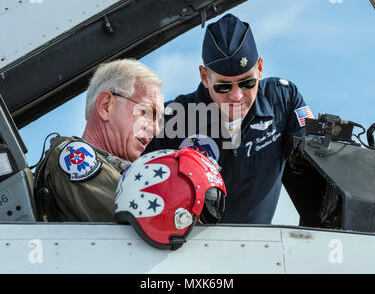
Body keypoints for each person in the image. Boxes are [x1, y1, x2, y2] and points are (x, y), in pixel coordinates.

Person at [144, 13, 314, 224]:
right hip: (188, 251)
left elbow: (314, 172)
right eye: (224, 86)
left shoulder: (283, 101)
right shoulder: (173, 119)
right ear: (205, 77)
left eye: (247, 83)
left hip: (259, 249)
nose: (236, 96)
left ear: (260, 68)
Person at [34, 58, 164, 222]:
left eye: (159, 120)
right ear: (106, 105)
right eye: (146, 112)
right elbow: (151, 221)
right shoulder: (73, 157)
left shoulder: (121, 171)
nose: (156, 130)